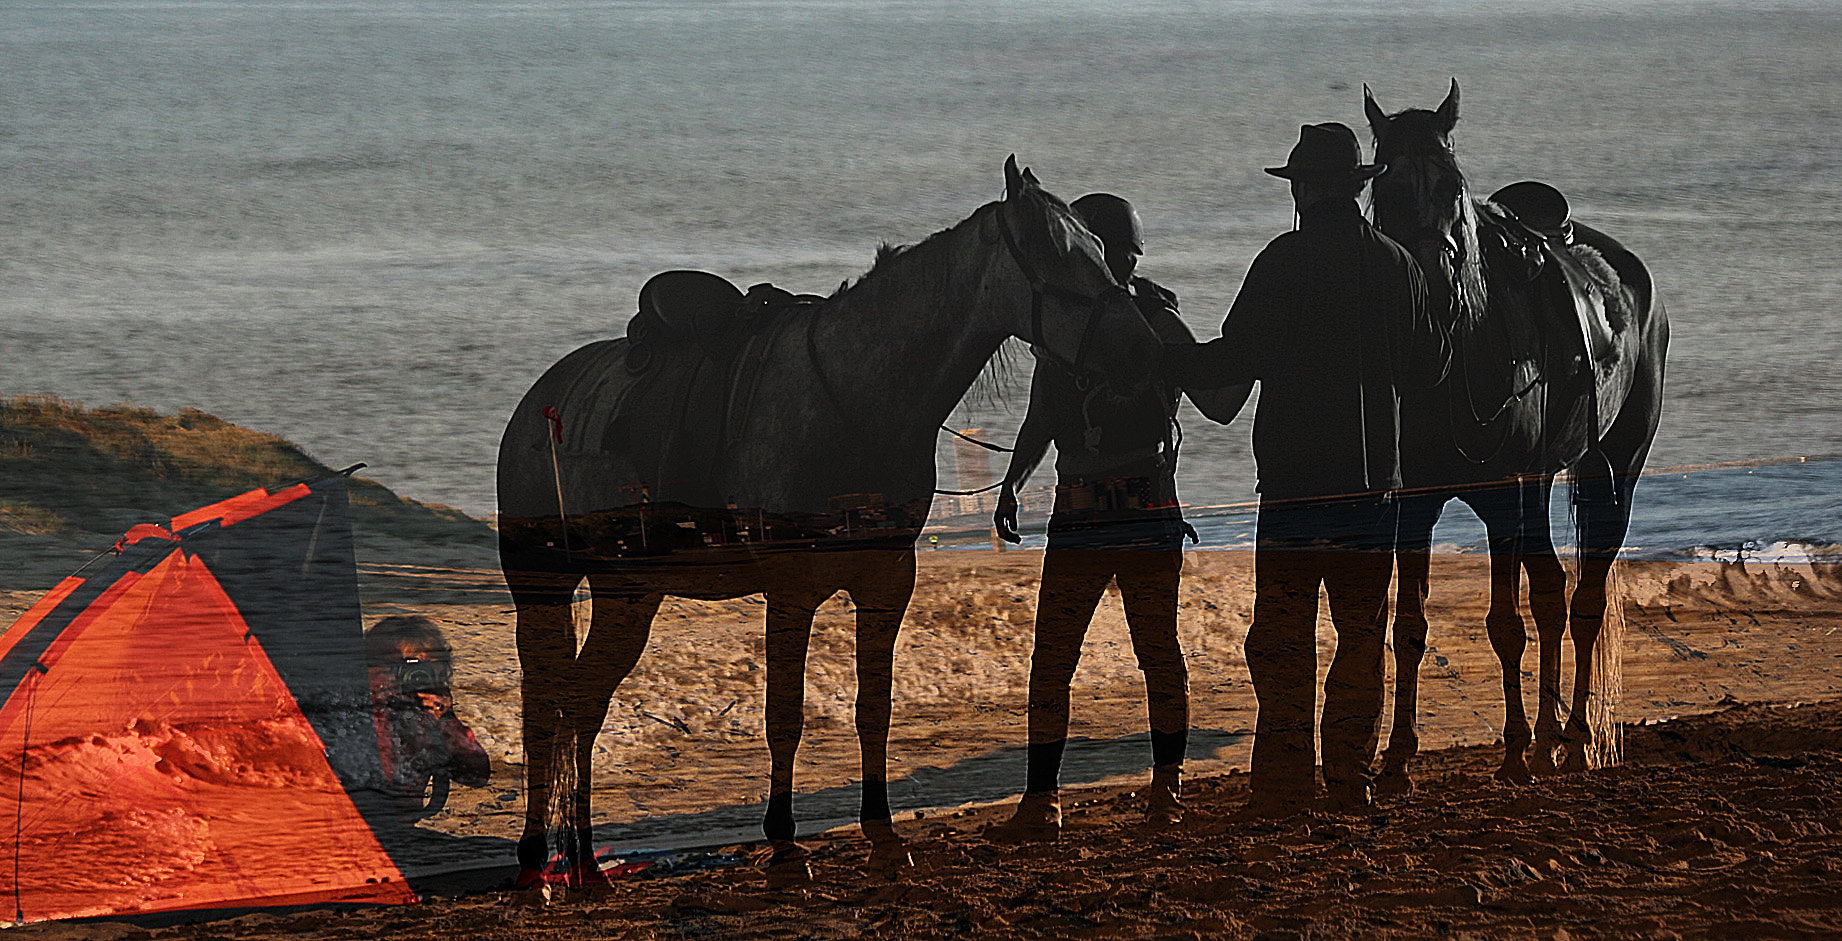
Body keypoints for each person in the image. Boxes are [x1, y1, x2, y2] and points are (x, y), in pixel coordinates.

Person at [1166, 123, 1450, 814]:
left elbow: (1230, 366)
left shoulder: (1282, 260)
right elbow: (1431, 369)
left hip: (1294, 492)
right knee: (1361, 638)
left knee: (1282, 637)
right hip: (1373, 494)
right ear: (1355, 188)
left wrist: (1165, 347)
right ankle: (1349, 778)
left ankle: (1285, 783)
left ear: (1301, 189)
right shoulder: (1396, 266)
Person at [989, 193, 1250, 839]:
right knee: (1084, 656)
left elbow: (1217, 400)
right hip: (1110, 511)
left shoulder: (1154, 321)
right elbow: (1043, 419)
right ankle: (1066, 800)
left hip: (1122, 512)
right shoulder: (1086, 323)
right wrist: (1012, 482)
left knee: (1136, 654)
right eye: (1118, 248)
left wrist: (1255, 350)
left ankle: (1151, 795)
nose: (1123, 258)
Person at [365, 615, 492, 817]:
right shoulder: (355, 708)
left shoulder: (427, 710)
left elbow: (476, 775)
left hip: (400, 824)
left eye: (424, 667)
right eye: (403, 666)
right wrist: (378, 696)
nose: (414, 675)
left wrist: (444, 722)